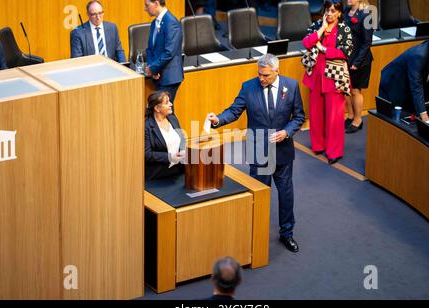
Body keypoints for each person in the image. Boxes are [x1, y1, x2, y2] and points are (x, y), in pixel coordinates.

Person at [208, 54, 305, 253]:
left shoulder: (292, 86)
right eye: (260, 74)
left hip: (282, 152)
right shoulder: (248, 87)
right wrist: (217, 120)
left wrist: (286, 132)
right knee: (259, 194)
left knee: (286, 194)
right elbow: (234, 111)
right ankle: (255, 233)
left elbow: (299, 116)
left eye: (266, 75)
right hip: (258, 151)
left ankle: (287, 233)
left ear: (277, 71)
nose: (262, 79)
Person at [302, 0, 353, 165]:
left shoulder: (344, 29)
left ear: (339, 13)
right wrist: (322, 28)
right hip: (316, 75)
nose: (329, 14)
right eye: (327, 10)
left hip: (334, 77)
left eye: (333, 11)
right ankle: (318, 145)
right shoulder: (317, 25)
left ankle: (334, 151)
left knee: (334, 116)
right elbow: (307, 43)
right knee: (315, 113)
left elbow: (345, 51)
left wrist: (324, 49)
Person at [379, 27, 429, 131]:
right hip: (394, 86)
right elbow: (416, 87)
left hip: (410, 88)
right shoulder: (419, 55)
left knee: (413, 123)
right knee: (393, 125)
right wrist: (425, 118)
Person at [144, 0, 184, 104]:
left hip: (169, 77)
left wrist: (153, 68)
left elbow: (169, 52)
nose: (145, 9)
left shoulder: (171, 22)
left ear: (156, 3)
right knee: (163, 113)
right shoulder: (154, 23)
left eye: (147, 5)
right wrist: (152, 68)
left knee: (162, 112)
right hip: (158, 75)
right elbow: (150, 49)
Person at [344, 0, 373, 134]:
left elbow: (367, 42)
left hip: (360, 59)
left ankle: (357, 120)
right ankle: (350, 116)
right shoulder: (346, 11)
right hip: (346, 58)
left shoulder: (367, 14)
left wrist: (357, 62)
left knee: (355, 90)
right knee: (346, 90)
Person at [145, 91, 186, 181]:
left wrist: (183, 150)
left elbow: (182, 138)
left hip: (180, 170)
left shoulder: (173, 119)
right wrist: (169, 157)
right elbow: (147, 154)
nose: (171, 104)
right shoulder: (146, 127)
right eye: (167, 102)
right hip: (159, 175)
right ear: (157, 108)